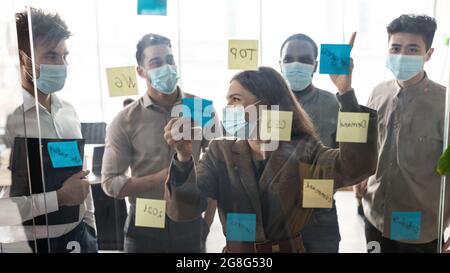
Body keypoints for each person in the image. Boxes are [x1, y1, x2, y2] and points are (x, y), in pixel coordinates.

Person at [163, 34, 378, 253]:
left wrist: (346, 93)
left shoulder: (305, 150)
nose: (227, 107)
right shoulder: (220, 151)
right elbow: (185, 209)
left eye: (236, 100)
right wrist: (183, 156)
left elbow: (356, 166)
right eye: (227, 99)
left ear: (264, 105)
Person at [101, 33, 216, 253]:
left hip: (190, 218)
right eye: (156, 62)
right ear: (141, 71)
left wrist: (207, 222)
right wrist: (163, 177)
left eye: (169, 60)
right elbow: (110, 183)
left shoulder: (202, 109)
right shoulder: (125, 119)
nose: (166, 67)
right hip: (145, 220)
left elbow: (219, 168)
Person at [0, 8, 97, 253]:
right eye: (52, 56)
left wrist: (90, 230)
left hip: (77, 239)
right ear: (23, 59)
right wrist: (59, 198)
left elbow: (80, 181)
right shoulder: (6, 121)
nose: (62, 65)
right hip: (22, 245)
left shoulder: (68, 112)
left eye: (65, 56)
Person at [356, 14, 450, 253]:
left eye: (412, 49)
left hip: (420, 226)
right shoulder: (377, 93)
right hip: (375, 216)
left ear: (428, 54)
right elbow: (370, 145)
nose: (402, 56)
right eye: (396, 48)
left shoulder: (445, 103)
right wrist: (361, 176)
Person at [279, 33, 341, 253]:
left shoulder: (333, 104)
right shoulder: (263, 105)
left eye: (305, 59)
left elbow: (346, 160)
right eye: (289, 59)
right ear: (280, 64)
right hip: (275, 214)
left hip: (319, 213)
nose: (296, 64)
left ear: (315, 65)